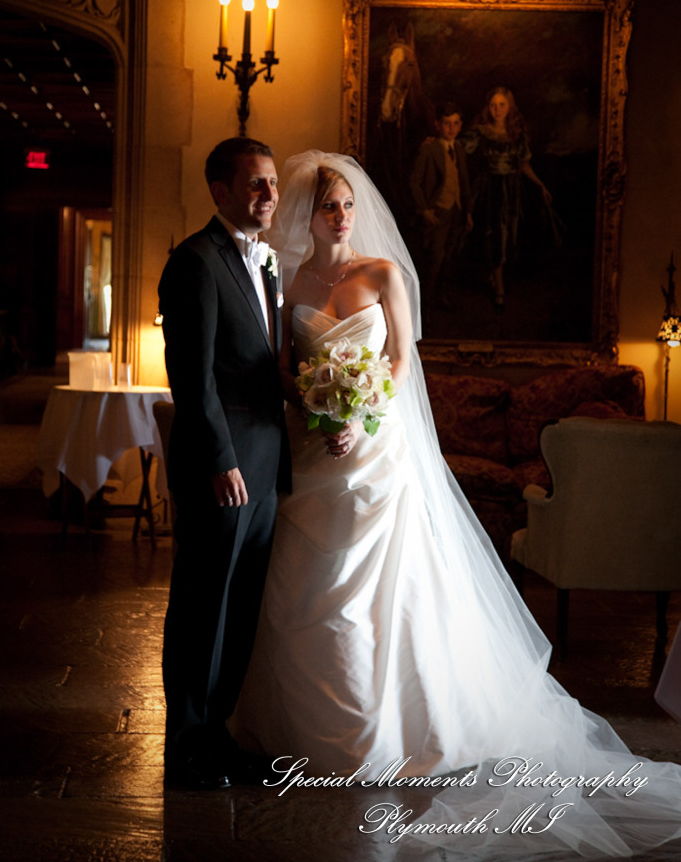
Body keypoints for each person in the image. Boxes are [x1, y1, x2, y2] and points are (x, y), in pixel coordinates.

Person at [230, 149, 681, 858]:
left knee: (391, 584)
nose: (340, 215)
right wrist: (315, 406)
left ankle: (403, 725)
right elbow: (284, 368)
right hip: (317, 449)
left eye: (347, 204)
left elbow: (401, 362)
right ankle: (307, 727)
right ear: (307, 216)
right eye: (327, 206)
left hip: (378, 448)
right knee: (307, 581)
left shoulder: (381, 274)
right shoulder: (287, 283)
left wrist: (360, 409)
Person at [159, 136, 290, 789]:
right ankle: (184, 748)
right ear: (219, 190)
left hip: (267, 466)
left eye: (272, 183)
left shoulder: (266, 263)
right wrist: (220, 458)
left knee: (240, 609)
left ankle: (218, 736)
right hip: (225, 466)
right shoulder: (195, 262)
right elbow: (192, 375)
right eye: (255, 184)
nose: (269, 195)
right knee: (202, 605)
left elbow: (265, 366)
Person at [463, 86, 552, 310]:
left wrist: (540, 185)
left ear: (509, 106)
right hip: (487, 190)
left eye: (502, 104)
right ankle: (499, 288)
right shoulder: (480, 132)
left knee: (507, 234)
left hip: (510, 191)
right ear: (488, 107)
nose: (497, 109)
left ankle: (497, 277)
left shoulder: (516, 135)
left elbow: (524, 164)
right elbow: (457, 147)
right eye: (493, 105)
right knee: (492, 235)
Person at [409, 102, 473, 306]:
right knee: (435, 258)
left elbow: (463, 183)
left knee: (449, 255)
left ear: (460, 125)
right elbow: (414, 182)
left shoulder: (460, 149)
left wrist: (468, 212)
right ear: (438, 125)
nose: (451, 128)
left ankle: (442, 294)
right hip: (438, 211)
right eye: (446, 123)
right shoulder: (429, 149)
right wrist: (424, 209)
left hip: (457, 210)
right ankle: (425, 301)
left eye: (455, 123)